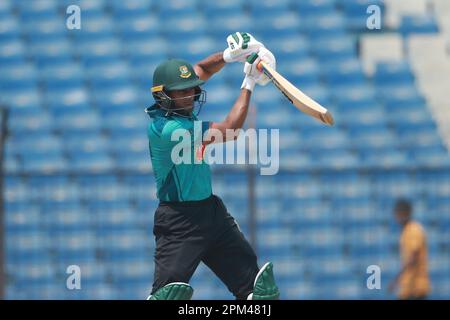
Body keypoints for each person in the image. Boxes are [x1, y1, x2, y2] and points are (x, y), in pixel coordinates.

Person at [144, 32, 279, 300]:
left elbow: (203, 68)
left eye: (191, 90)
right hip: (179, 221)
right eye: (181, 92)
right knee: (166, 297)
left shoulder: (179, 106)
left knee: (260, 294)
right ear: (162, 96)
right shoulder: (169, 128)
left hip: (212, 214)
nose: (190, 96)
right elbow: (230, 129)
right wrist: (249, 80)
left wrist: (231, 55)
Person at [388, 199, 431, 300]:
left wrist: (396, 280)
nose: (395, 217)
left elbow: (413, 258)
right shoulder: (407, 230)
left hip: (415, 287)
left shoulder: (413, 230)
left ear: (404, 213)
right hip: (408, 288)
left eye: (397, 213)